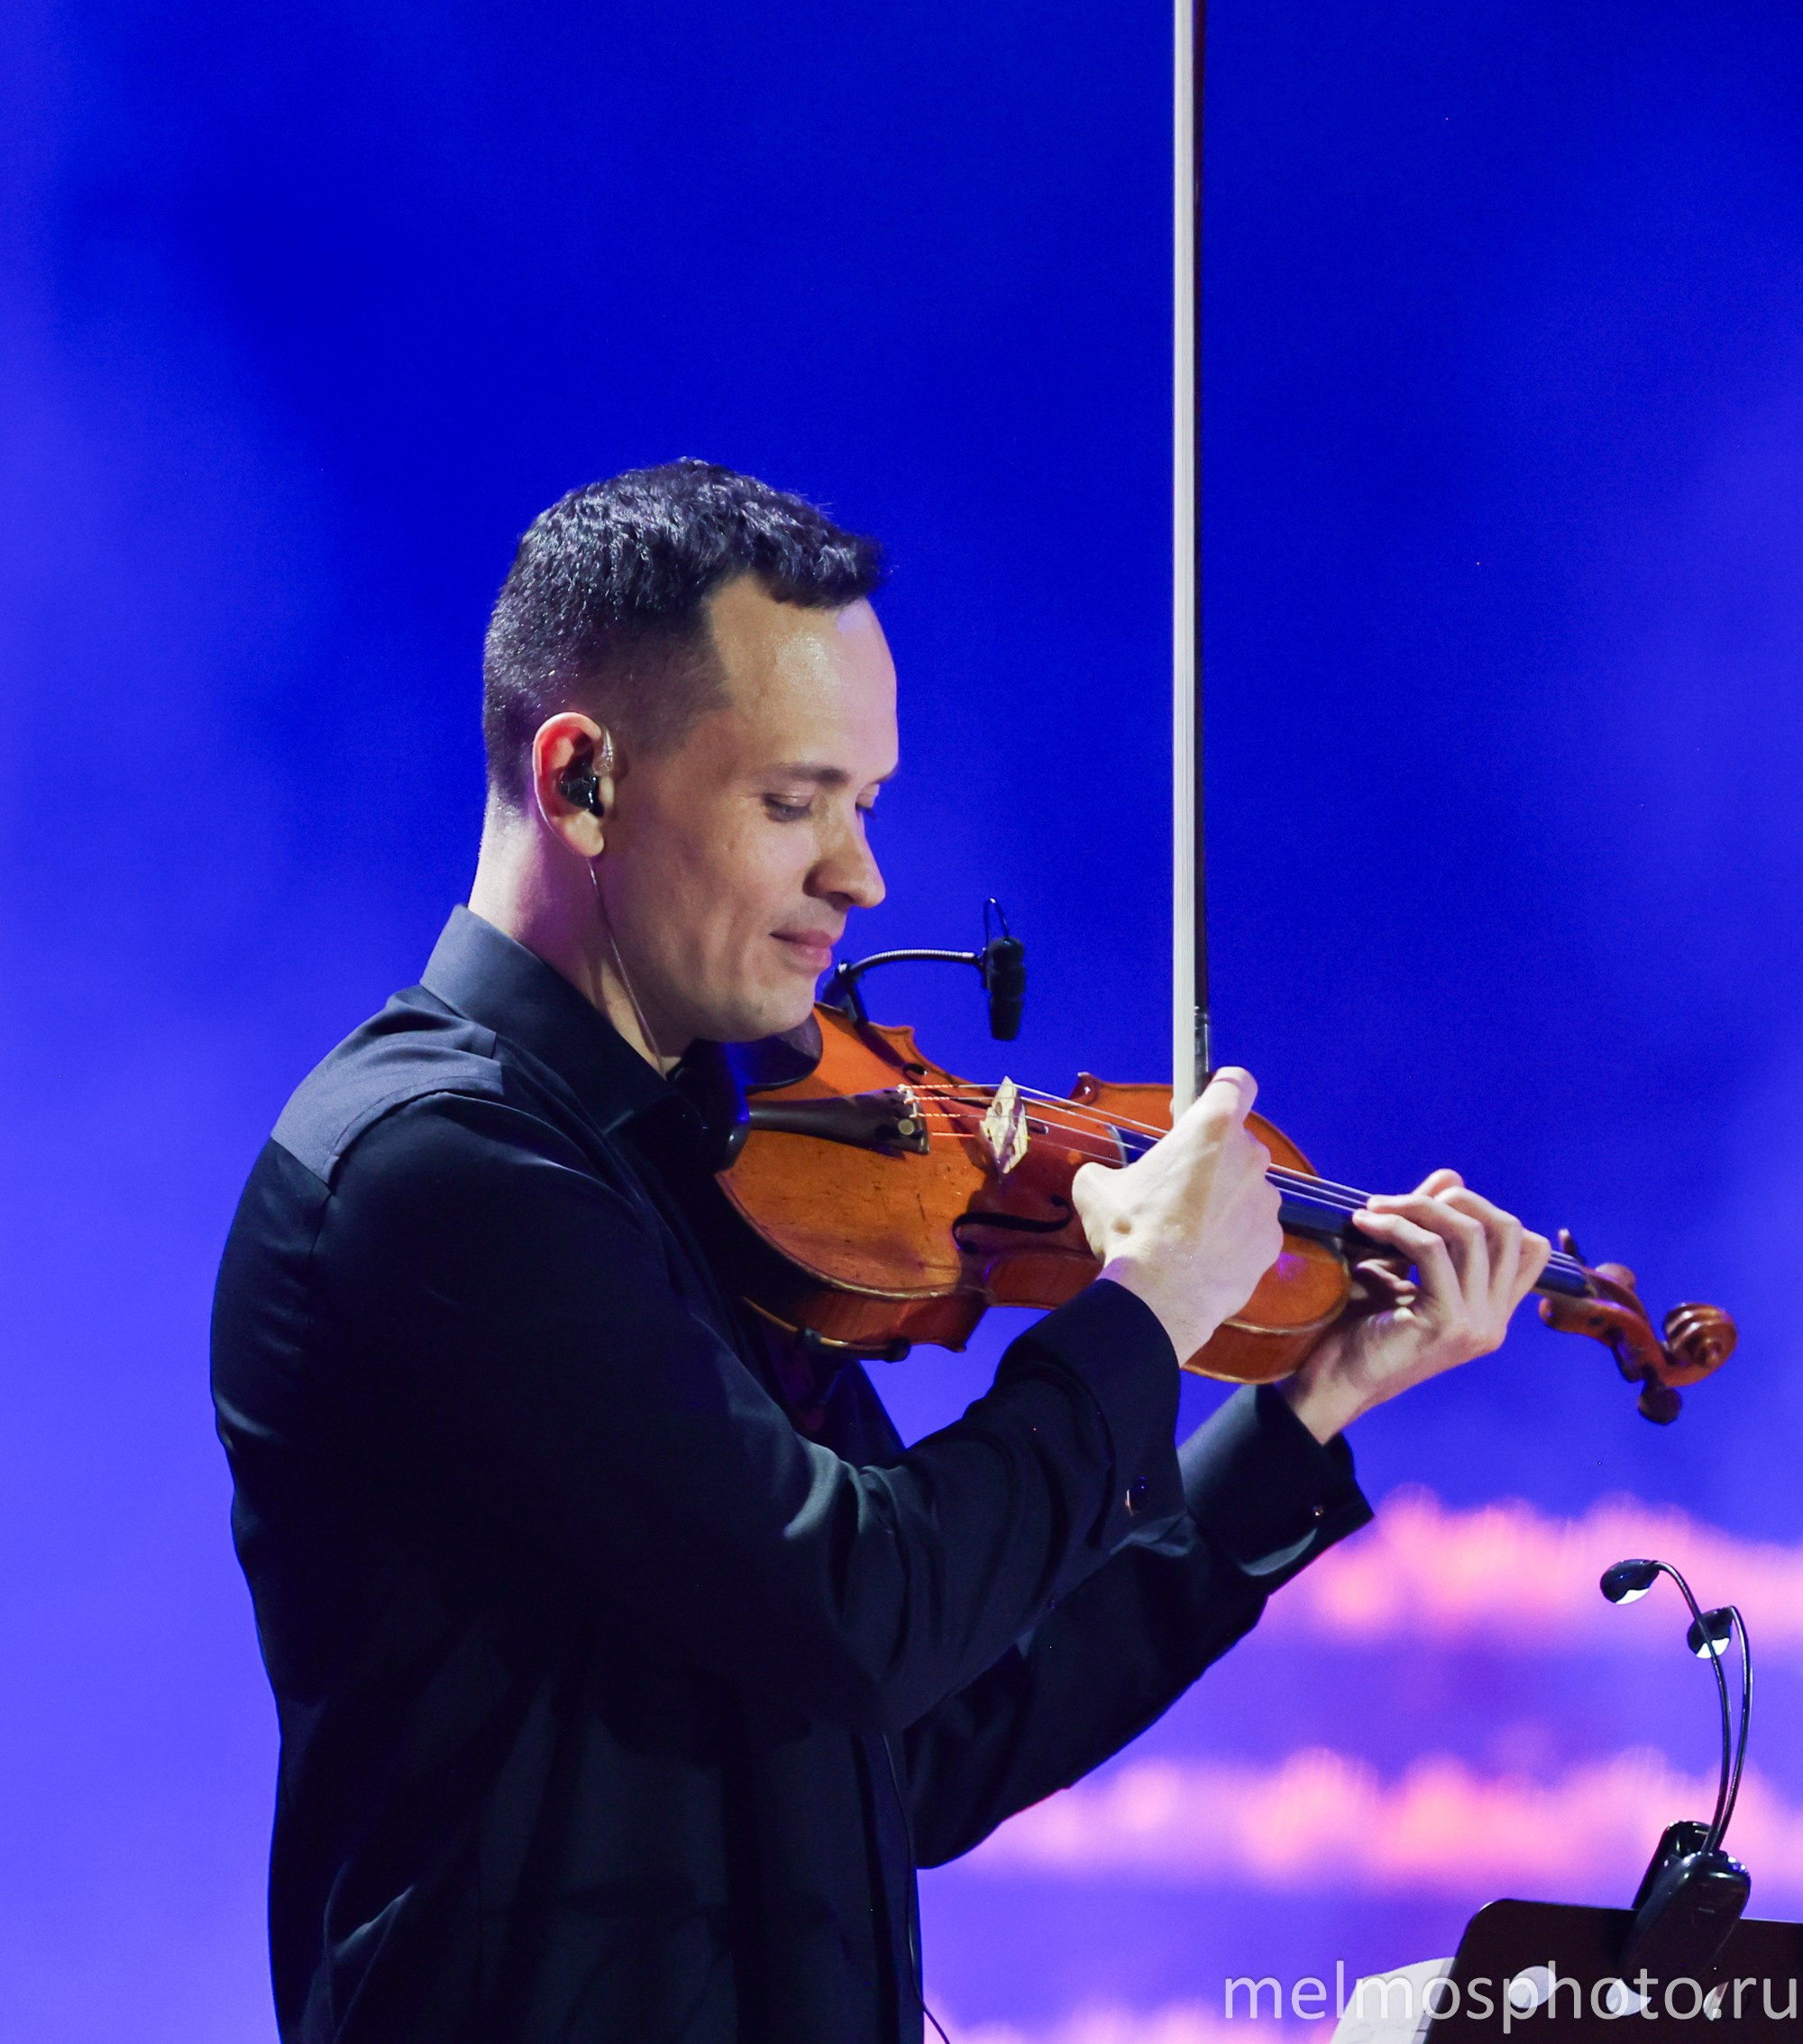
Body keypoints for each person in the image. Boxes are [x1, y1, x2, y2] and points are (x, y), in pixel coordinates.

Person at [212, 461, 1551, 2044]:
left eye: (867, 804)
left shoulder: (703, 1176)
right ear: (582, 782)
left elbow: (933, 1736)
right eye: (794, 804)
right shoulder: (433, 1169)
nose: (861, 878)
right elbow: (865, 1606)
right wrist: (1140, 1314)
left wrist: (1307, 1406)